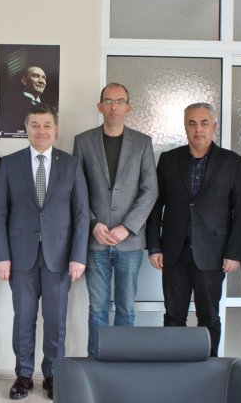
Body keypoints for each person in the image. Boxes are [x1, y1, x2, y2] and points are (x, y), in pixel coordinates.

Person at [0, 104, 89, 400]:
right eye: (35, 125)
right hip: (20, 258)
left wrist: (78, 256)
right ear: (26, 129)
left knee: (55, 320)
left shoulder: (71, 165)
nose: (41, 130)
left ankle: (53, 375)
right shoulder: (9, 164)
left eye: (47, 125)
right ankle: (23, 376)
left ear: (56, 130)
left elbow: (81, 214)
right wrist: (1, 255)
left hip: (59, 258)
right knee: (23, 319)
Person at [145, 102, 241, 357]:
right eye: (192, 123)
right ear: (185, 127)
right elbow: (155, 205)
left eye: (204, 123)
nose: (198, 129)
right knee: (173, 316)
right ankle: (175, 366)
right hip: (174, 252)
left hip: (213, 254)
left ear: (214, 126)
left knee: (209, 317)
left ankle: (209, 368)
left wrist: (234, 253)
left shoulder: (233, 163)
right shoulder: (169, 160)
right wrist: (154, 246)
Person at [72, 83, 158, 357]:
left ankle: (123, 365)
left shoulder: (142, 143)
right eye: (108, 101)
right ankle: (96, 364)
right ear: (100, 106)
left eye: (120, 101)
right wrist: (93, 224)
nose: (114, 106)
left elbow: (150, 190)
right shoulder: (83, 141)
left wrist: (127, 227)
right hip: (95, 241)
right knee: (97, 309)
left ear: (128, 108)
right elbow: (77, 189)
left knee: (126, 309)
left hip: (129, 243)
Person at [0, 66, 48, 137]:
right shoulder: (11, 105)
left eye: (44, 78)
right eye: (36, 76)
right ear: (24, 81)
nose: (41, 81)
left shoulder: (48, 108)